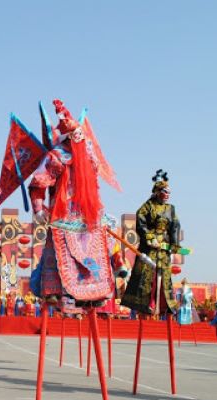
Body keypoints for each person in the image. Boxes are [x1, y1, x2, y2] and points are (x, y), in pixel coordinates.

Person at [28, 99, 119, 311]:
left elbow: (95, 186)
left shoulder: (88, 157)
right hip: (64, 217)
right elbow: (39, 181)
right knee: (59, 253)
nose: (79, 137)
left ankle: (96, 293)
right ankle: (54, 292)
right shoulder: (58, 156)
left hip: (89, 218)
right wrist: (39, 207)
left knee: (100, 248)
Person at [122, 171, 183, 318]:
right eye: (165, 191)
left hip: (163, 248)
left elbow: (175, 226)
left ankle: (165, 307)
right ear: (157, 192)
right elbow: (140, 220)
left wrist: (174, 244)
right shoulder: (147, 206)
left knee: (165, 276)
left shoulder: (171, 209)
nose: (168, 194)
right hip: (150, 247)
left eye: (169, 192)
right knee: (146, 274)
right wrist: (149, 236)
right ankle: (144, 306)